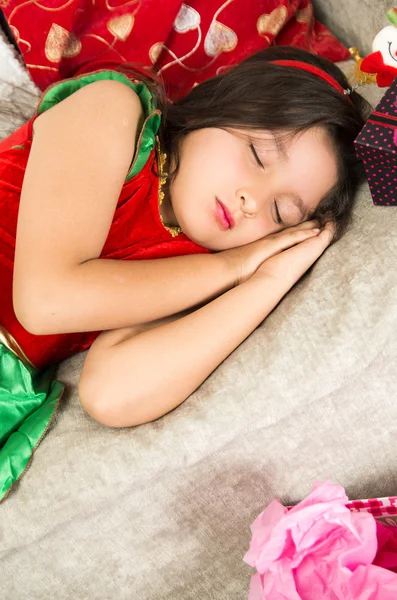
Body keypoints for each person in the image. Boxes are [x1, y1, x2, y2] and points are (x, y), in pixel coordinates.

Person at [0, 46, 371, 501]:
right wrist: (231, 267)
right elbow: (46, 302)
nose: (250, 200)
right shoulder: (113, 108)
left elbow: (112, 392)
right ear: (216, 102)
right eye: (256, 155)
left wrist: (268, 280)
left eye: (280, 211)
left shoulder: (192, 269)